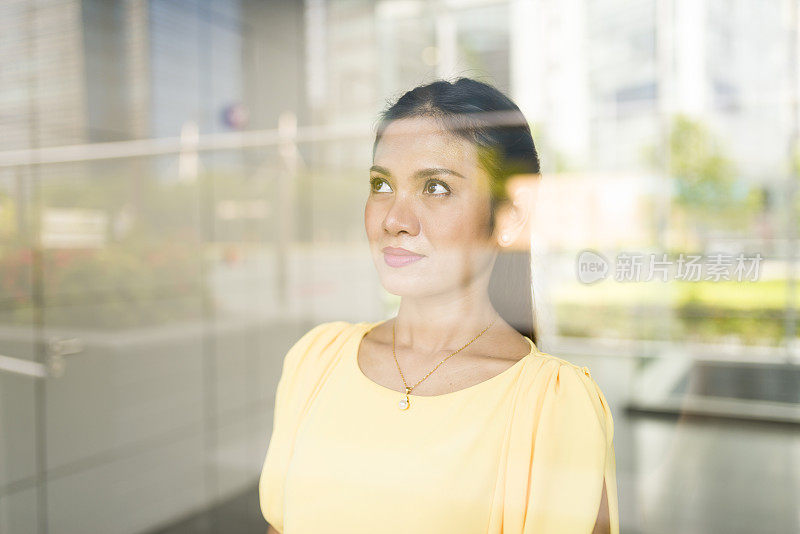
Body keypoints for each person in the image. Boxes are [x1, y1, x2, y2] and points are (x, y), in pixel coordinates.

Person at [259, 77, 619, 534]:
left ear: (510, 217)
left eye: (436, 188)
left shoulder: (551, 406)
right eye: (382, 184)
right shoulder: (315, 361)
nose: (395, 220)